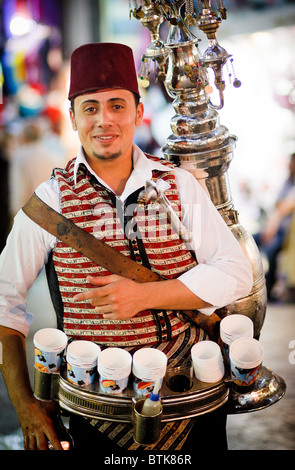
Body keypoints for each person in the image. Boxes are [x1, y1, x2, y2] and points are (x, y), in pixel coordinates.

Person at [0, 42, 253, 452]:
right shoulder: (50, 201)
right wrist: (23, 401)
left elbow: (235, 271)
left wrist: (145, 295)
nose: (105, 121)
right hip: (99, 410)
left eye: (117, 105)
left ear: (138, 112)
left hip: (188, 396)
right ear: (74, 117)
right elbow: (4, 299)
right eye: (90, 108)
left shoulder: (179, 185)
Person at [253, 153, 295, 300]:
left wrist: (271, 228)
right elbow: (278, 205)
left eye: (292, 162)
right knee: (250, 243)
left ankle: (268, 291)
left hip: (285, 232)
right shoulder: (287, 182)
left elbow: (284, 207)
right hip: (277, 228)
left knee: (271, 251)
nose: (290, 165)